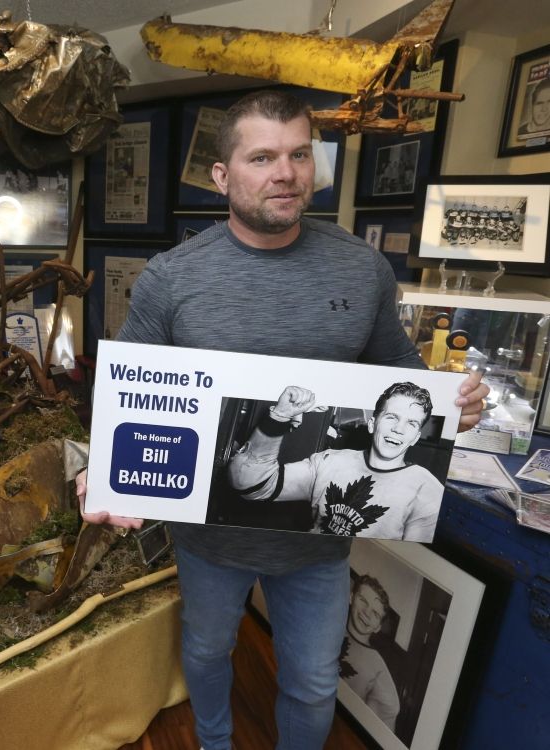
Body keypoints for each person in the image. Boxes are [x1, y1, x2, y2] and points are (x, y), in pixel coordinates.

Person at [75, 89, 487, 750]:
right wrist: (104, 468)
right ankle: (214, 745)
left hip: (317, 538)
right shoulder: (170, 280)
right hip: (208, 537)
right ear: (222, 175)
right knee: (209, 656)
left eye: (300, 154)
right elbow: (130, 396)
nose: (286, 172)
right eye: (262, 156)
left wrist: (451, 407)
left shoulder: (362, 268)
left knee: (315, 683)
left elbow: (402, 373)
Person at [228, 381, 444, 542]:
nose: (399, 429)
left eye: (412, 423)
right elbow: (250, 484)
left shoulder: (427, 490)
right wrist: (280, 416)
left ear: (416, 437)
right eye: (391, 417)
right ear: (372, 424)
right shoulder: (330, 462)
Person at [339, 575, 400, 732]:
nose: (367, 612)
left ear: (378, 627)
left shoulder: (377, 666)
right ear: (351, 597)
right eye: (363, 600)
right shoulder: (330, 625)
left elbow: (388, 713)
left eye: (376, 614)